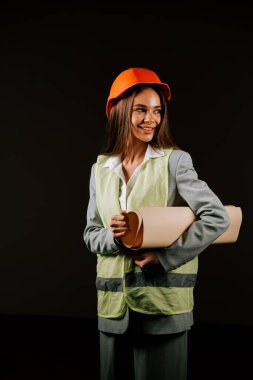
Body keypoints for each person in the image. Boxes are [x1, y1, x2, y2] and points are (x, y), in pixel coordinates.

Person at [83, 67, 230, 380]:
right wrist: (117, 237)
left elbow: (218, 216)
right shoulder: (101, 169)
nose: (151, 119)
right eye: (141, 110)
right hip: (112, 310)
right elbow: (91, 234)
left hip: (163, 306)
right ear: (118, 112)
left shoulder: (175, 161)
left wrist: (164, 258)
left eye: (157, 111)